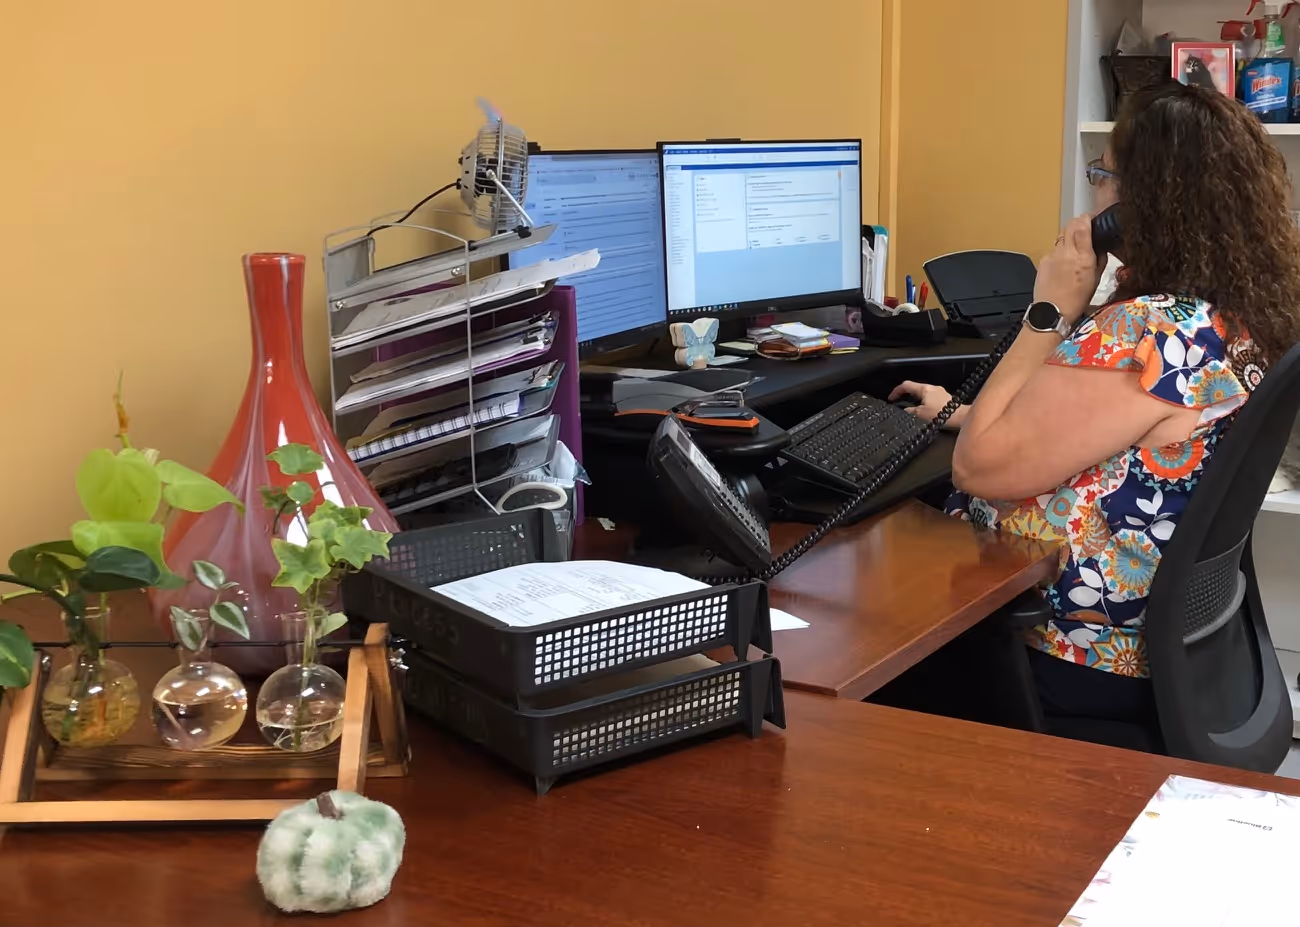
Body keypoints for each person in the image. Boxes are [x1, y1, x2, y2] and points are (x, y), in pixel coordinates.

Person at [890, 82, 1300, 749]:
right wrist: (967, 413)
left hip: (1066, 649)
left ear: (1146, 204)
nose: (1095, 195)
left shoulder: (1148, 332)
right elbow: (1121, 436)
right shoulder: (1229, 321)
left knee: (869, 629)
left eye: (1104, 176)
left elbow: (975, 469)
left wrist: (1048, 310)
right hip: (1165, 647)